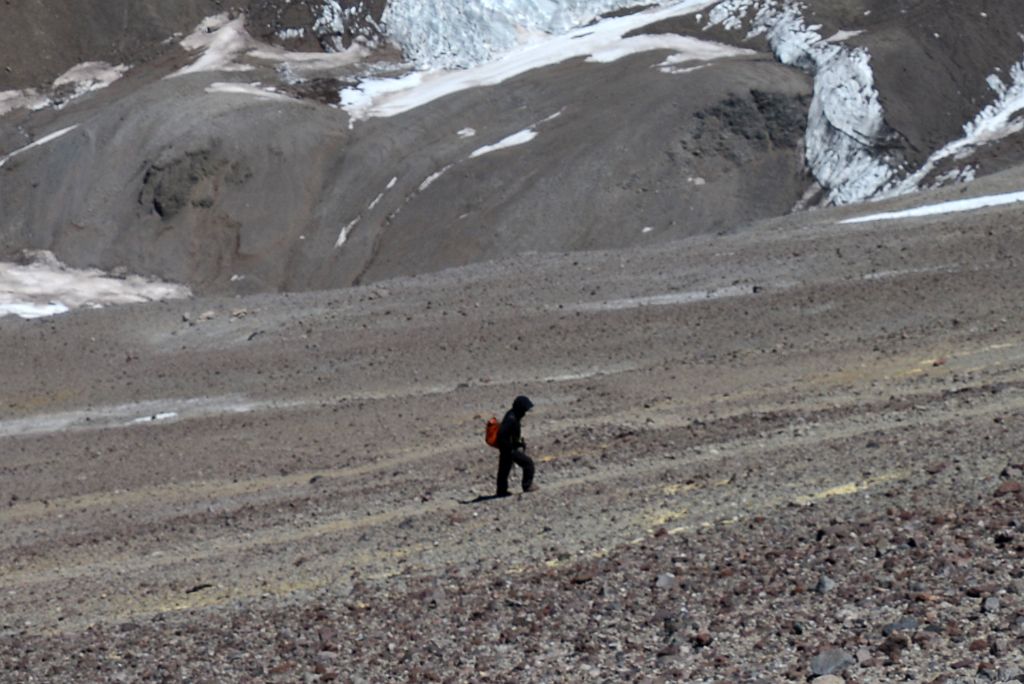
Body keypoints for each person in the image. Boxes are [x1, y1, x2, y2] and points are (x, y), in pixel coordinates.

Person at [496, 395, 536, 496]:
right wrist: (510, 448)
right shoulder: (511, 419)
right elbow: (502, 434)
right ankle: (527, 486)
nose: (525, 413)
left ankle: (501, 491)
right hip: (509, 449)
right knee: (528, 463)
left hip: (506, 448)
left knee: (504, 470)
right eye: (524, 410)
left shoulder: (512, 415)